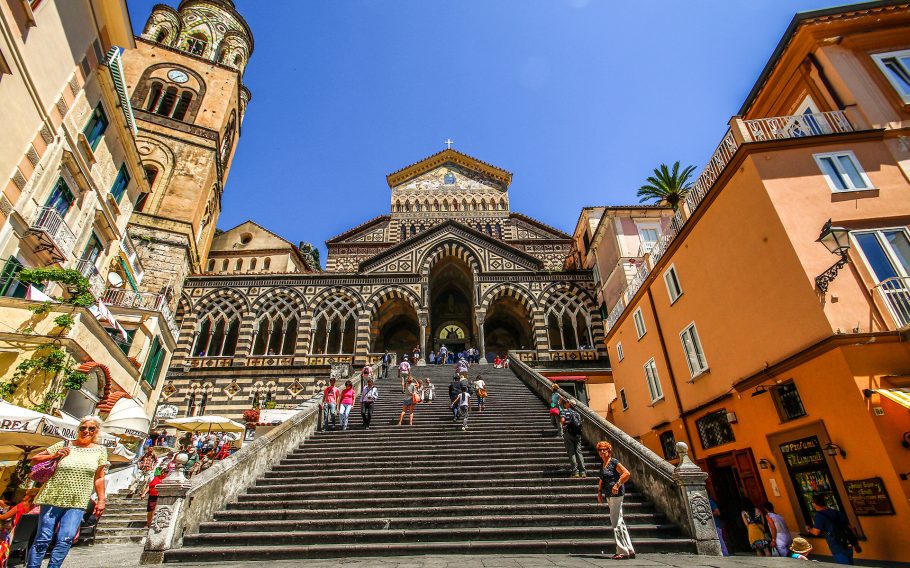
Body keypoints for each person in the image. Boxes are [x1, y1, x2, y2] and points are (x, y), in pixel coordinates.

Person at [27, 416, 107, 568]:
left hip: (78, 500)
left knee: (66, 538)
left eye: (91, 428)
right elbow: (35, 459)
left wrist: (101, 500)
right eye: (83, 428)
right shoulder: (65, 444)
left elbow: (99, 477)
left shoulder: (100, 450)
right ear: (79, 429)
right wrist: (54, 455)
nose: (86, 431)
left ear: (97, 431)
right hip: (52, 496)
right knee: (43, 537)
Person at [596, 440, 635, 560]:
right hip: (608, 494)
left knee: (615, 521)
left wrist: (617, 485)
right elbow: (602, 479)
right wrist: (599, 492)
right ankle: (629, 549)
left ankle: (622, 551)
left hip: (616, 494)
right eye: (600, 450)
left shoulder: (613, 462)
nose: (602, 452)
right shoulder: (603, 463)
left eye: (604, 449)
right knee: (620, 521)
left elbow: (626, 473)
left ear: (609, 450)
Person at [806, 493, 860, 565]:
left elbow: (816, 532)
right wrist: (856, 544)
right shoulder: (837, 512)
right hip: (847, 541)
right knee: (850, 563)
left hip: (836, 544)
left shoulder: (819, 516)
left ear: (814, 504)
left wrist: (809, 529)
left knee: (844, 564)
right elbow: (851, 528)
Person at [0, 489, 38, 567]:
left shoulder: (21, 505)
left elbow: (3, 517)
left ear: (30, 497)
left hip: (10, 537)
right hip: (24, 538)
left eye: (25, 495)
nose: (23, 497)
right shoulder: (35, 508)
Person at [560, 399, 586, 477]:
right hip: (577, 434)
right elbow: (580, 424)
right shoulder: (577, 413)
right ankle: (583, 472)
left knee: (571, 452)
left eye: (567, 402)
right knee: (579, 452)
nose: (565, 404)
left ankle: (575, 472)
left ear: (569, 404)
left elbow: (562, 420)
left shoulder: (564, 411)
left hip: (568, 433)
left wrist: (564, 424)